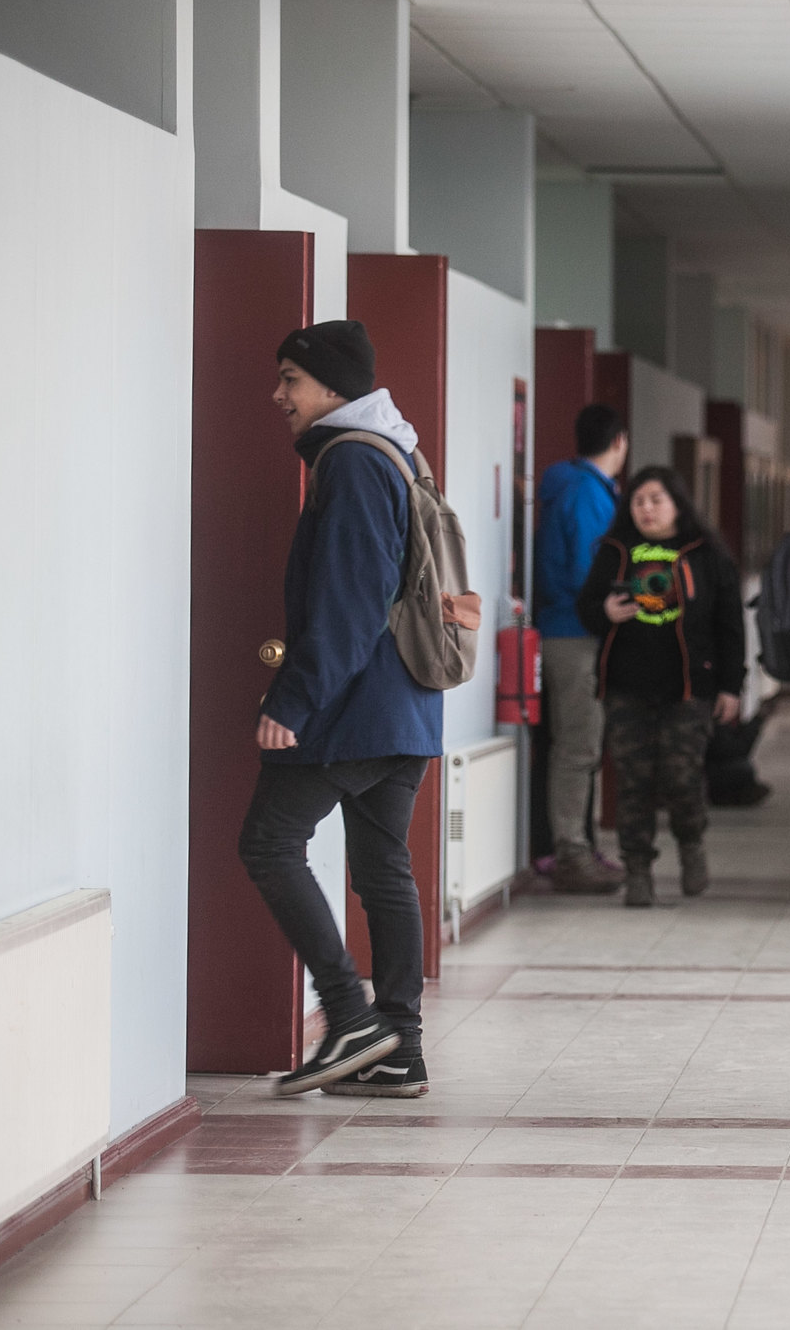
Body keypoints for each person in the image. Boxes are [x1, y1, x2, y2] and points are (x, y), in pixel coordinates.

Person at [240, 320, 441, 1099]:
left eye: (290, 378)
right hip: (403, 702)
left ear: (331, 388)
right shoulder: (392, 449)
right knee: (384, 867)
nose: (279, 394)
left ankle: (352, 1015)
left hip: (359, 705)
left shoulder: (353, 461)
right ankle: (398, 1049)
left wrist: (293, 697)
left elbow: (352, 601)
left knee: (268, 842)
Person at [575, 466, 745, 907]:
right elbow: (587, 606)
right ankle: (637, 870)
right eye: (638, 501)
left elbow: (730, 624)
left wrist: (731, 685)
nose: (646, 509)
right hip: (626, 687)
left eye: (656, 500)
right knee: (633, 781)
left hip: (689, 689)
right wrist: (604, 612)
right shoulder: (615, 550)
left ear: (677, 504)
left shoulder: (705, 553)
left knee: (681, 776)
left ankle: (691, 842)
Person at [534, 404, 629, 892]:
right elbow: (592, 575)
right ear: (620, 442)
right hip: (576, 634)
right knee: (578, 746)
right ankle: (571, 852)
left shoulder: (566, 485)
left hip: (563, 629)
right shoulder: (588, 496)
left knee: (576, 744)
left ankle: (578, 845)